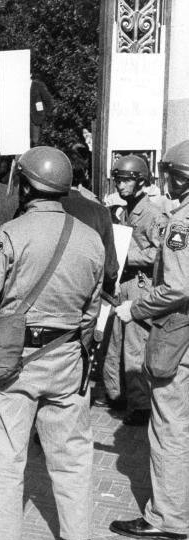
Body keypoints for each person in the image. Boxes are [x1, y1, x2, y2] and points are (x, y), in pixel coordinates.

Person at [0, 146, 103, 540]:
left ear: (24, 183)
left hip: (11, 361)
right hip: (67, 357)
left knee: (4, 453)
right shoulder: (90, 237)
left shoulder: (9, 235)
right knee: (73, 452)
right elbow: (91, 310)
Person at [110, 140, 189, 540]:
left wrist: (136, 309)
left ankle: (167, 515)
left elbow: (176, 287)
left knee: (169, 428)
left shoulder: (180, 223)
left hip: (178, 337)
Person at [98, 155, 170, 425]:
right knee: (115, 342)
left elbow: (163, 254)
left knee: (135, 346)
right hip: (124, 284)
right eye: (117, 179)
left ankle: (140, 405)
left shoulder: (153, 214)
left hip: (141, 285)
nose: (120, 185)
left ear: (141, 182)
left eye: (126, 180)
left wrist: (130, 252)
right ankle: (118, 394)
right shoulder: (125, 210)